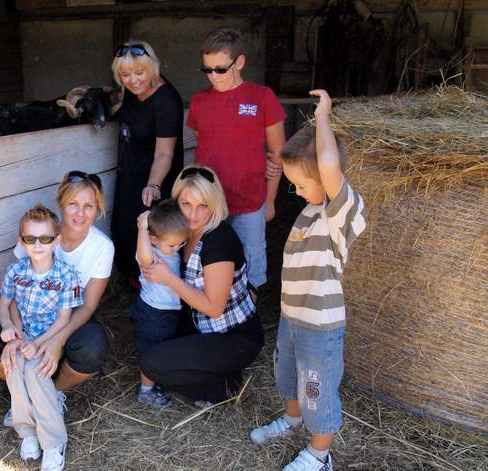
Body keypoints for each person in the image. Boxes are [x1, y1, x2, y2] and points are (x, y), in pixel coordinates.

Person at [248, 90, 367, 471]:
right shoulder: (309, 212)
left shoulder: (340, 214)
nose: (296, 192)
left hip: (320, 326)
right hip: (293, 319)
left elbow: (329, 168)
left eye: (301, 184)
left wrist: (324, 119)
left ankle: (319, 455)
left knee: (316, 389)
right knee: (287, 377)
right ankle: (292, 419)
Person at [0, 171, 114, 425]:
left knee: (93, 347)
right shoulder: (39, 233)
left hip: (66, 319)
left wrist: (58, 340)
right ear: (61, 204)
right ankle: (24, 392)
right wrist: (16, 331)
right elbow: (15, 290)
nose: (80, 213)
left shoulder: (102, 247)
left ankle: (51, 395)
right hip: (27, 317)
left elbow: (89, 305)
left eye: (88, 206)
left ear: (98, 209)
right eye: (73, 204)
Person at [140, 165, 265, 405]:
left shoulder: (218, 239)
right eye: (186, 204)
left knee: (151, 363)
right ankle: (211, 372)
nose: (192, 215)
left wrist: (167, 278)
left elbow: (214, 308)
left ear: (214, 205)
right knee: (152, 342)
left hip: (233, 336)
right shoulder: (181, 231)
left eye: (202, 206)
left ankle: (223, 385)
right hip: (201, 326)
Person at [187, 26, 287, 292]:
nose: (213, 76)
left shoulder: (262, 97)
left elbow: (278, 153)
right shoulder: (199, 101)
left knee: (250, 265)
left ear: (239, 62)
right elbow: (205, 143)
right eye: (207, 70)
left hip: (249, 202)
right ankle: (212, 318)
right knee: (209, 262)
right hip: (209, 203)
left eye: (220, 69)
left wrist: (269, 201)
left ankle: (248, 322)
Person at [0, 204, 83, 471]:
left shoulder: (66, 274)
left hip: (50, 336)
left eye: (45, 238)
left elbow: (64, 318)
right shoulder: (16, 271)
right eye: (30, 239)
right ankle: (28, 432)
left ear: (56, 240)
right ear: (20, 241)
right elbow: (3, 305)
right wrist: (8, 328)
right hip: (23, 335)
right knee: (13, 368)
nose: (37, 245)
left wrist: (40, 344)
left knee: (36, 372)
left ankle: (54, 441)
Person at [110, 40, 185, 286]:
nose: (133, 80)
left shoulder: (167, 101)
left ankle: (156, 289)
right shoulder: (130, 91)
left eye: (139, 73)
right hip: (131, 168)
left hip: (156, 173)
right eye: (125, 75)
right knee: (124, 228)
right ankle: (133, 283)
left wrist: (153, 186)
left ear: (152, 68)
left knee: (151, 230)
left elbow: (164, 154)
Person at [132, 200, 189, 407]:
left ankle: (159, 378)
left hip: (168, 311)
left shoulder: (168, 249)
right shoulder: (150, 255)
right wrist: (142, 227)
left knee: (164, 345)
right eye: (173, 245)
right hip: (153, 312)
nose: (177, 249)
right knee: (151, 348)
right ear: (153, 239)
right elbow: (144, 254)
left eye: (181, 243)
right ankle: (145, 391)